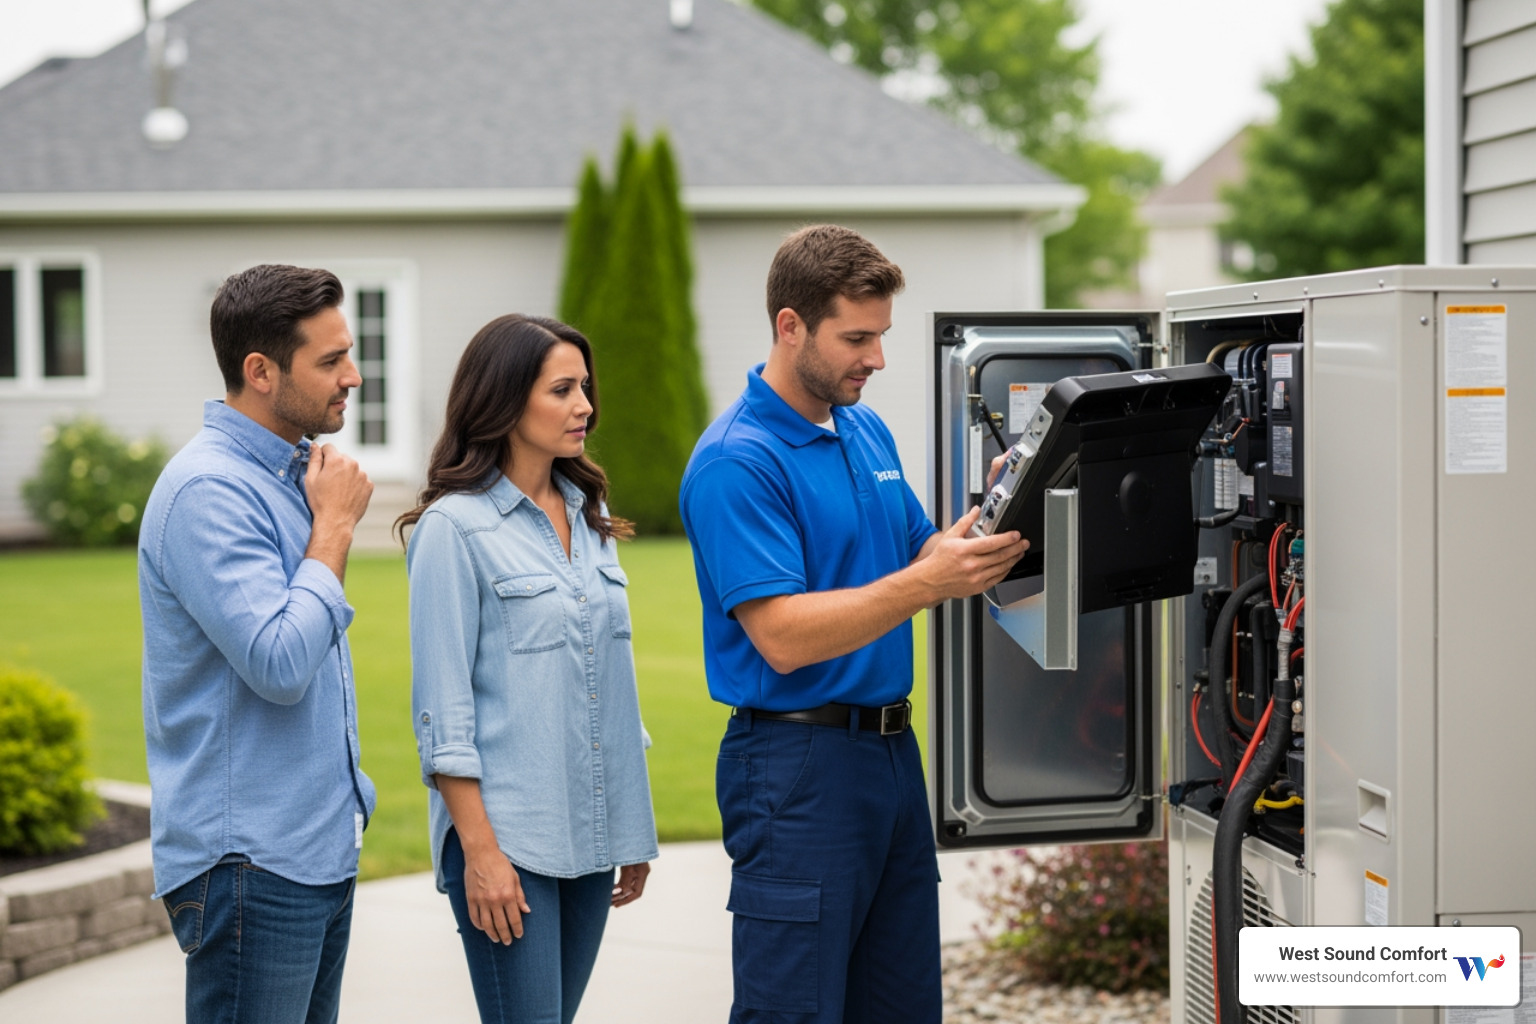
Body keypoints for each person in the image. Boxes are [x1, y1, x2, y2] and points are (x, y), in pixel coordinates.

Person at [679, 224, 1029, 1024]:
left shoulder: (863, 428)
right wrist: (924, 581)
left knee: (901, 1004)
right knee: (794, 1011)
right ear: (789, 326)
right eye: (857, 337)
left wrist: (1008, 503)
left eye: (882, 336)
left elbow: (920, 554)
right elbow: (782, 634)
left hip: (890, 761)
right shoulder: (738, 460)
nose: (875, 359)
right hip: (796, 768)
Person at [397, 314, 658, 1024]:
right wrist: (480, 854)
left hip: (591, 838)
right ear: (506, 400)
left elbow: (611, 689)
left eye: (585, 388)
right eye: (562, 390)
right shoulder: (453, 530)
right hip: (508, 843)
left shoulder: (590, 515)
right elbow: (442, 714)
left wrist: (628, 829)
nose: (586, 407)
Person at [138, 264, 377, 1024]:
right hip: (251, 863)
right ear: (261, 372)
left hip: (311, 853)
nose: (354, 375)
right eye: (331, 360)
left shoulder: (289, 476)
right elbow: (279, 662)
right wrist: (334, 532)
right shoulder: (210, 490)